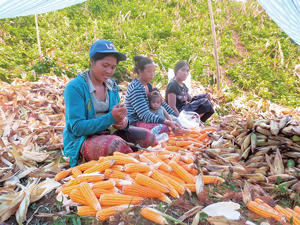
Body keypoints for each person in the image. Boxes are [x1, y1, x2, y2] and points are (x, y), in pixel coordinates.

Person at [63, 40, 156, 167]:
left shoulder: (112, 86)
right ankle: (138, 167)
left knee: (148, 137)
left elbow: (117, 116)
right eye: (105, 65)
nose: (109, 71)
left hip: (110, 132)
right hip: (82, 139)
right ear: (92, 61)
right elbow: (77, 128)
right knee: (115, 146)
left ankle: (143, 165)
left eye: (113, 67)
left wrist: (124, 122)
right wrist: (110, 118)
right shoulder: (75, 87)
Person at [125, 56, 179, 134]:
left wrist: (176, 117)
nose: (152, 74)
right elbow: (145, 115)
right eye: (149, 71)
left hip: (147, 119)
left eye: (153, 71)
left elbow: (162, 104)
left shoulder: (149, 86)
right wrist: (168, 122)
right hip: (135, 122)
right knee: (163, 128)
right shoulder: (136, 88)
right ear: (140, 72)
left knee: (176, 120)